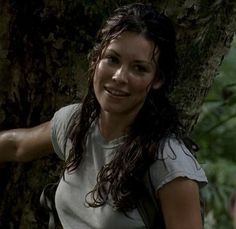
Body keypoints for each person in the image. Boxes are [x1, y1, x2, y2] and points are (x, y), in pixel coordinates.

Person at [0, 3, 207, 229]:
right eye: (112, 59)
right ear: (95, 59)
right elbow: (16, 146)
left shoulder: (169, 165)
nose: (119, 76)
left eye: (139, 68)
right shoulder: (76, 122)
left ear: (157, 80)